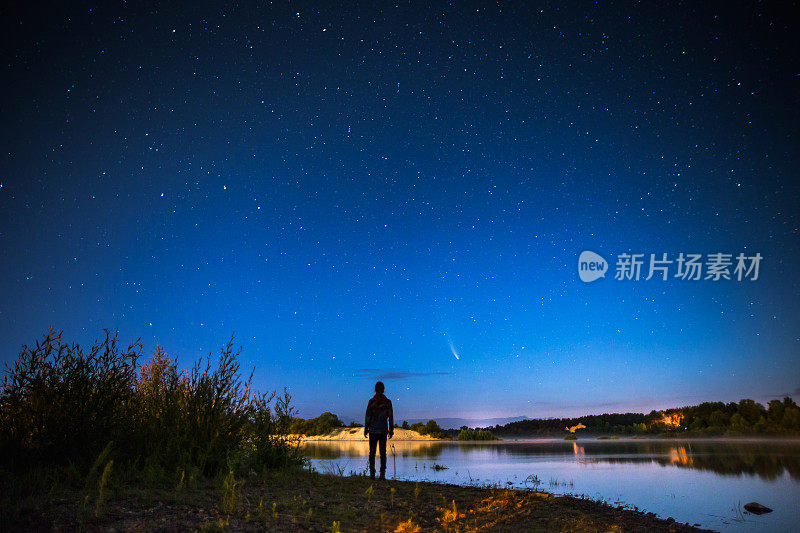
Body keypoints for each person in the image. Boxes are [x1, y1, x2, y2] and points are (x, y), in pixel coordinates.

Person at [364, 381, 394, 479]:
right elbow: (391, 417)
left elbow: (368, 416)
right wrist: (391, 429)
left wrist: (366, 428)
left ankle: (372, 474)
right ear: (383, 390)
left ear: (375, 389)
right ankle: (382, 474)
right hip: (383, 430)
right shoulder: (388, 402)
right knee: (382, 452)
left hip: (373, 430)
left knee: (372, 452)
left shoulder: (371, 401)